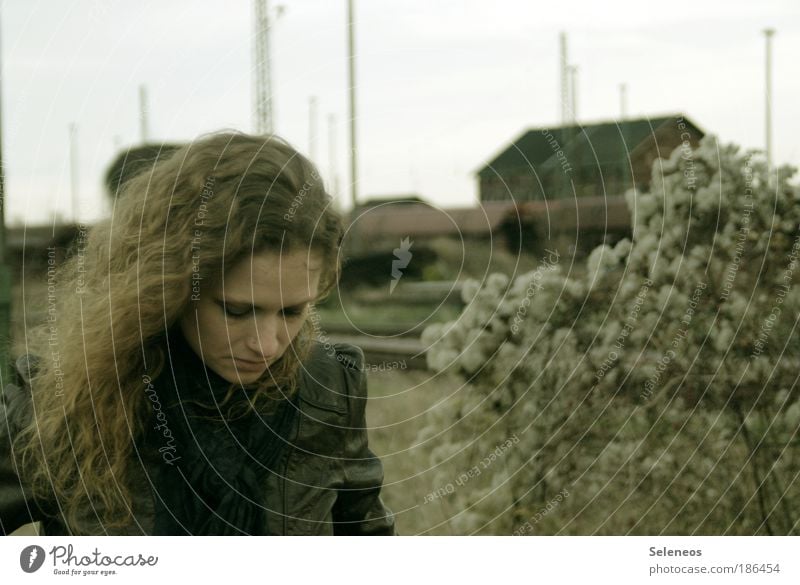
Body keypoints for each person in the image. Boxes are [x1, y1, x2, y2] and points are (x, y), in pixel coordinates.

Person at [0, 131, 395, 536]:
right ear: (167, 288)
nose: (268, 344)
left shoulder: (329, 389)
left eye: (293, 311)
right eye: (237, 310)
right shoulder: (65, 399)